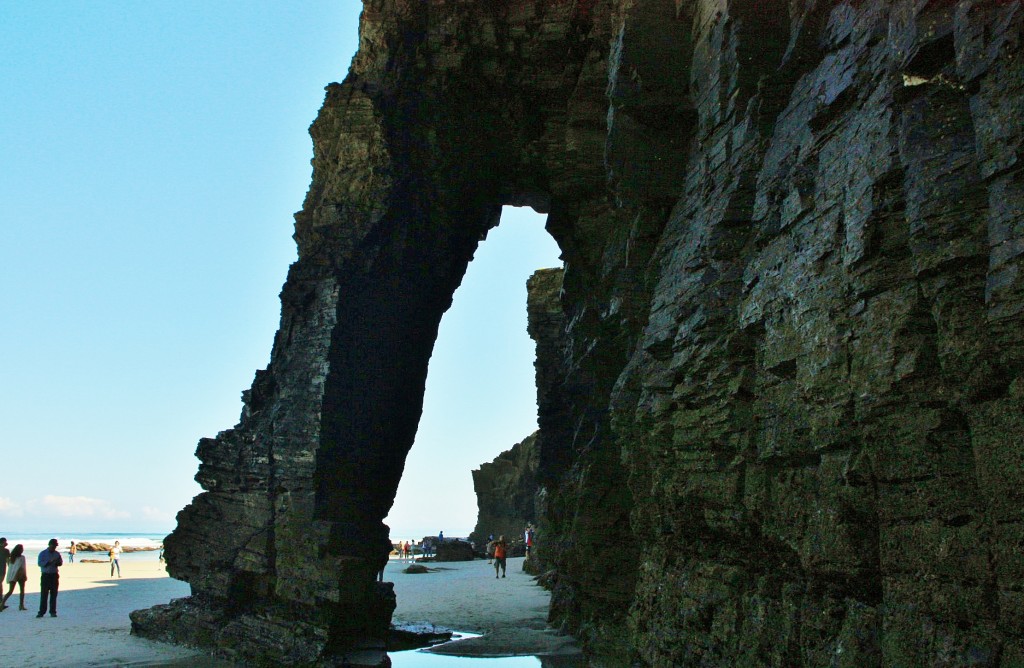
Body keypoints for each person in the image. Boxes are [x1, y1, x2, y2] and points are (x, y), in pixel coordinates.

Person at [37, 538, 62, 617]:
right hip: (45, 575)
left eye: (55, 546)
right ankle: (41, 612)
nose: (54, 547)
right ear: (49, 545)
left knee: (54, 594)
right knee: (44, 595)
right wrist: (48, 562)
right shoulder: (43, 553)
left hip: (54, 575)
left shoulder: (57, 554)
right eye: (53, 546)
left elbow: (60, 563)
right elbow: (40, 563)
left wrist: (57, 562)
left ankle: (53, 612)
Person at [1, 544, 28, 611]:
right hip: (21, 575)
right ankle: (21, 605)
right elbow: (23, 567)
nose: (22, 550)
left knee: (10, 591)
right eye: (22, 549)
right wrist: (24, 575)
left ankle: (2, 604)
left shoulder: (11, 558)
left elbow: (11, 568)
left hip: (13, 575)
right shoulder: (22, 557)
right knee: (21, 590)